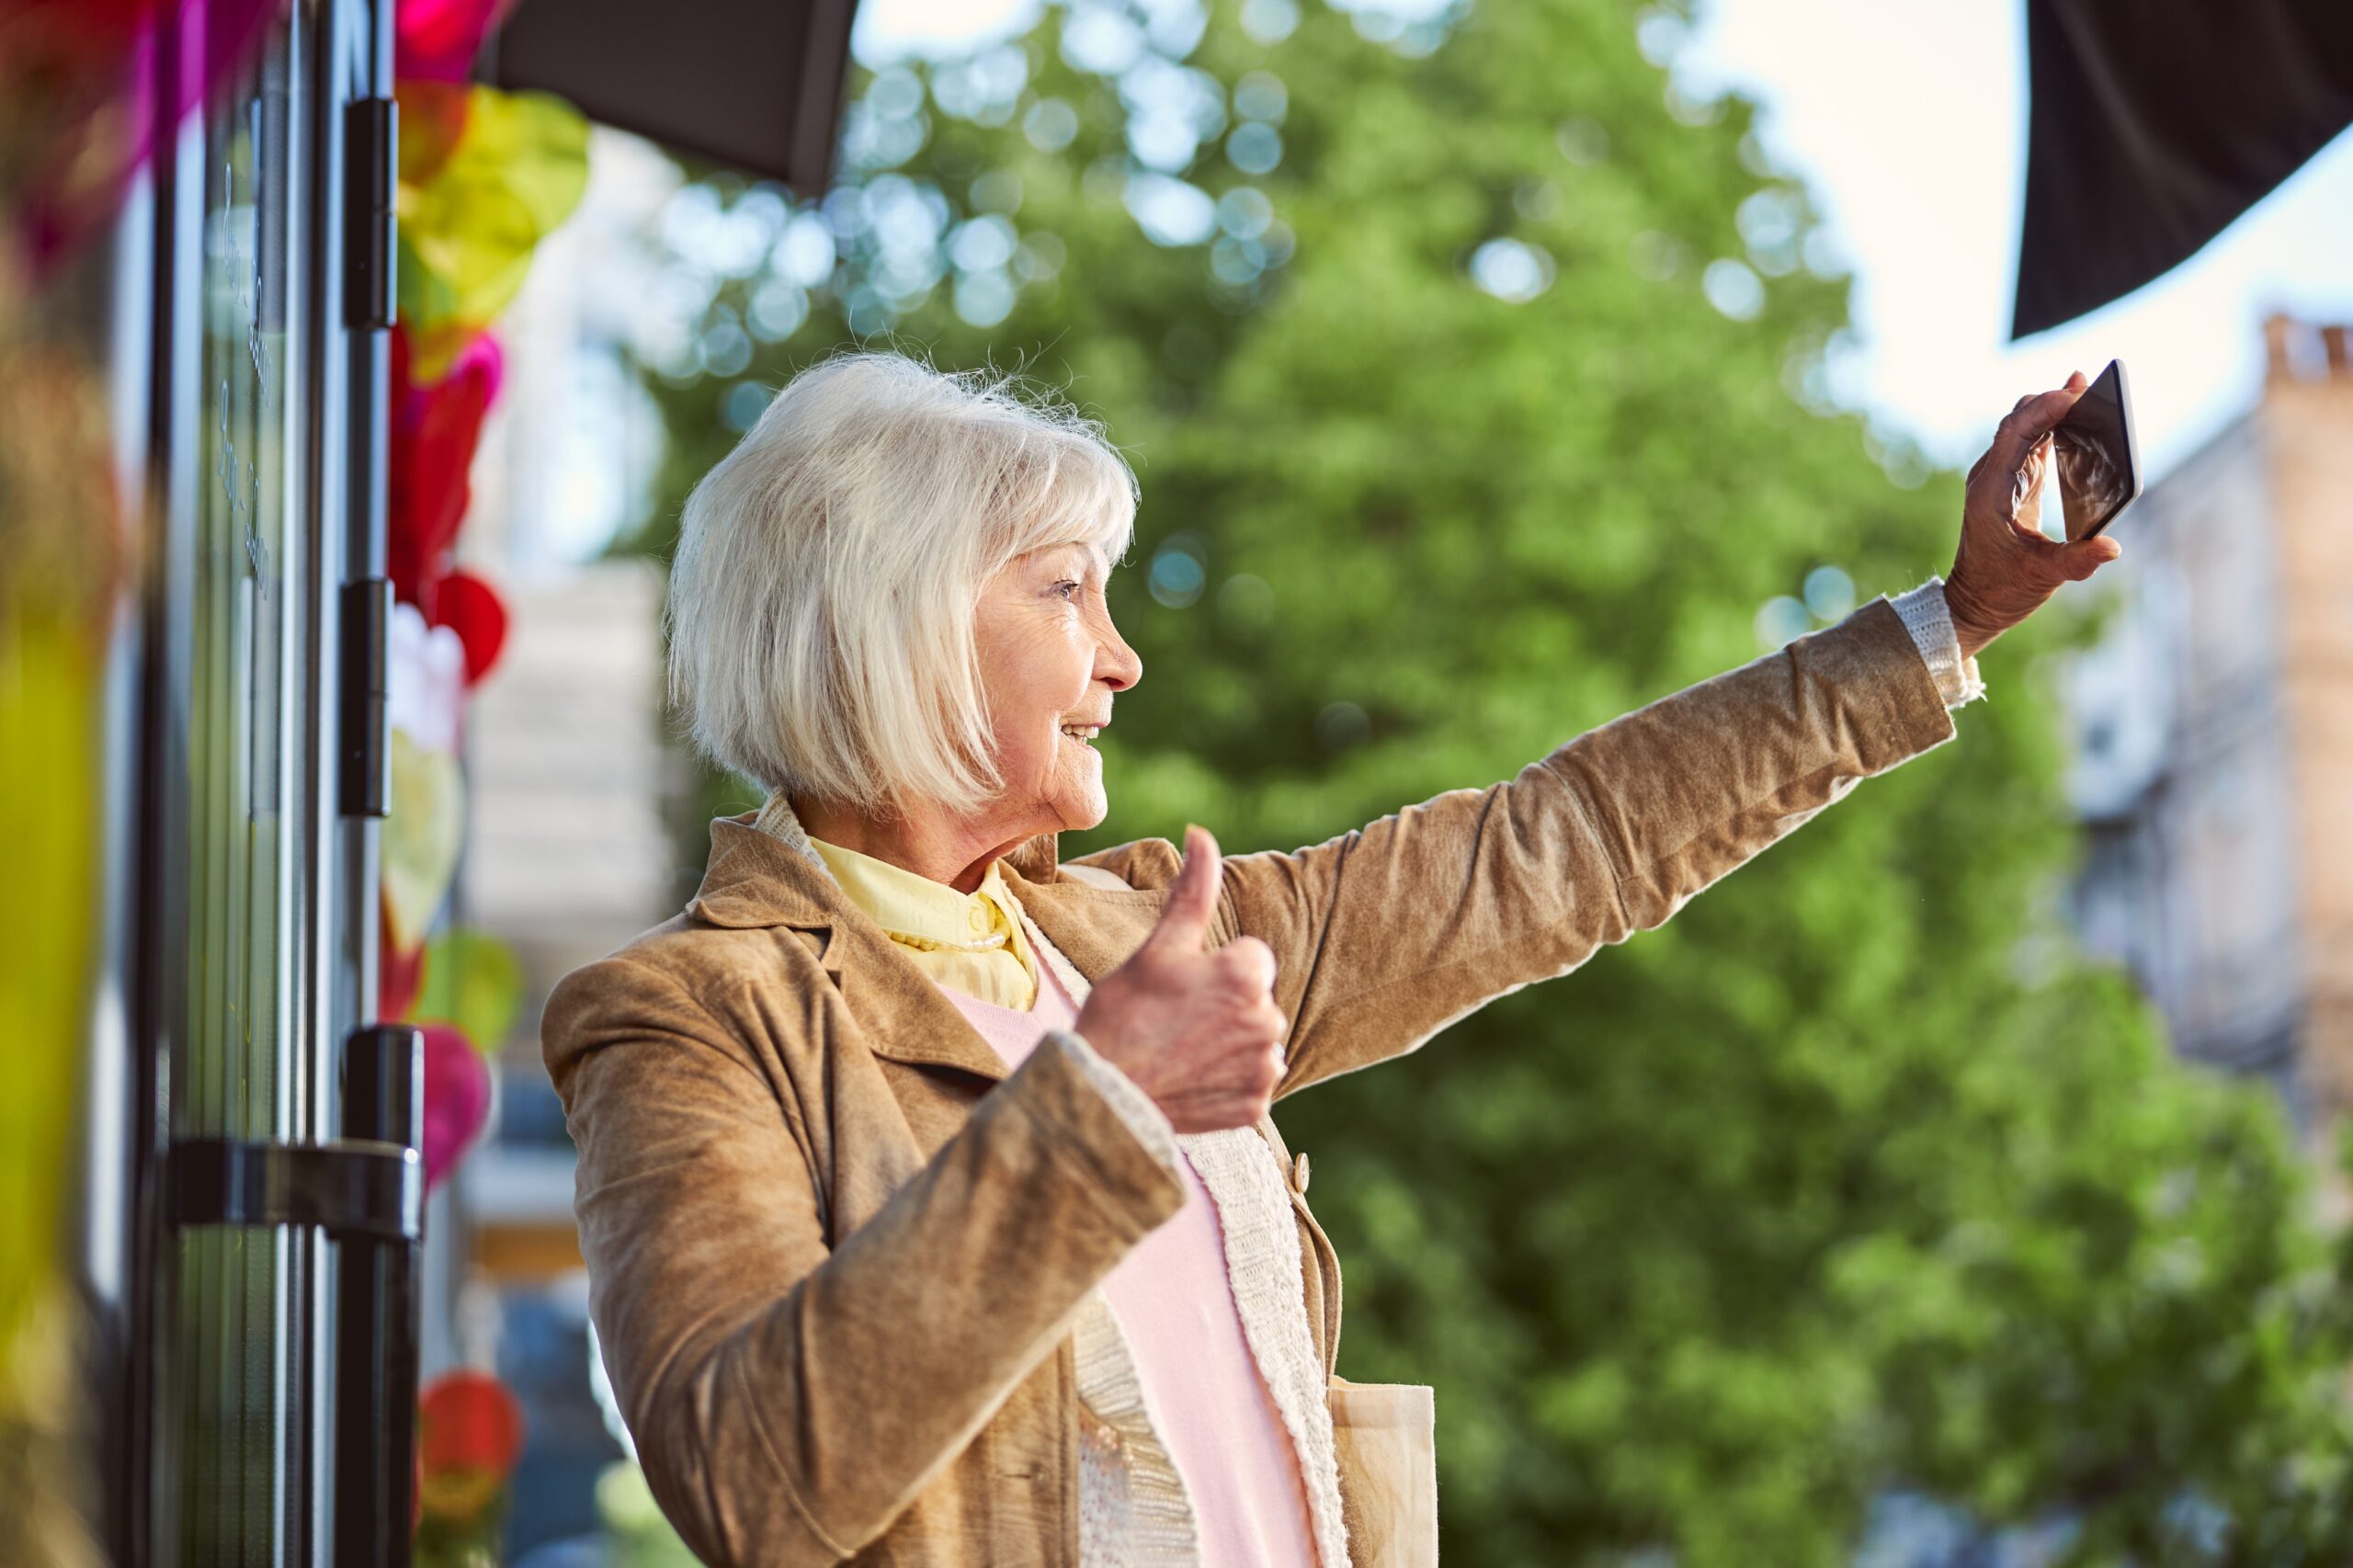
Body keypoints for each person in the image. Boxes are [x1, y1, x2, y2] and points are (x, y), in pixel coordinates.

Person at [540, 353, 2120, 1566]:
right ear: (896, 621)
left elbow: (1558, 846)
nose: (1121, 655)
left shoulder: (1141, 929)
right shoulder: (687, 1020)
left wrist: (1957, 617)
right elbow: (751, 1474)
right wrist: (1100, 1104)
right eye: (1065, 591)